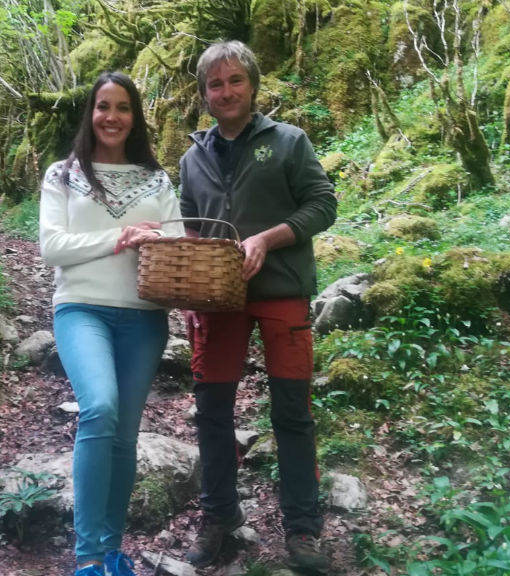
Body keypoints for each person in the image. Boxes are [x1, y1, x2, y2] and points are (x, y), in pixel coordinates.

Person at [177, 41, 338, 574]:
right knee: (211, 411)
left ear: (252, 84)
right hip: (217, 302)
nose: (226, 92)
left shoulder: (288, 142)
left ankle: (303, 528)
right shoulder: (192, 158)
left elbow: (323, 204)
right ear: (204, 94)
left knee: (292, 410)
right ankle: (219, 516)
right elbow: (191, 225)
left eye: (235, 80)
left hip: (282, 293)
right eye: (215, 84)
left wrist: (268, 238)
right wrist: (190, 292)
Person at [39, 71, 185, 576]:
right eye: (104, 106)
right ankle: (87, 558)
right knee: (99, 407)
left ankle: (111, 549)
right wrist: (121, 236)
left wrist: (156, 240)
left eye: (123, 107)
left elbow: (178, 240)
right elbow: (52, 247)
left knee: (124, 435)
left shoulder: (156, 178)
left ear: (135, 117)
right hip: (81, 308)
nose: (112, 117)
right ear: (91, 113)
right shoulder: (63, 174)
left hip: (144, 316)